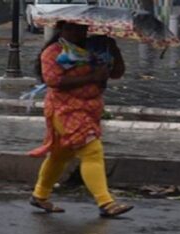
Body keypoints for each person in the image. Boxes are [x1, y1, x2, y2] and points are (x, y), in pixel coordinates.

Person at [29, 21, 132, 217]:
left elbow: (116, 72)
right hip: (65, 110)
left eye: (80, 28)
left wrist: (114, 50)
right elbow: (53, 80)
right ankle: (105, 203)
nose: (76, 32)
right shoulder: (53, 52)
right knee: (91, 150)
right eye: (70, 28)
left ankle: (39, 195)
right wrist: (92, 77)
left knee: (60, 155)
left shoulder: (95, 49)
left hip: (89, 109)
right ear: (61, 30)